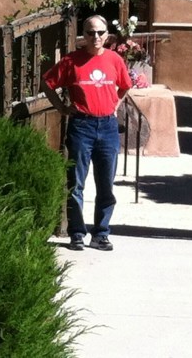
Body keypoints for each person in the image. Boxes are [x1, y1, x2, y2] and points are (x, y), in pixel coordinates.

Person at [41, 14, 132, 251]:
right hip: (81, 126)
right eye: (91, 33)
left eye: (100, 32)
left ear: (107, 35)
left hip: (108, 128)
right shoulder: (71, 61)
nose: (96, 37)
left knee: (106, 185)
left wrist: (115, 106)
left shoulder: (114, 59)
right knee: (76, 183)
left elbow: (124, 86)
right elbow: (47, 83)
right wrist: (61, 107)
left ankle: (101, 233)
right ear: (84, 35)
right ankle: (77, 234)